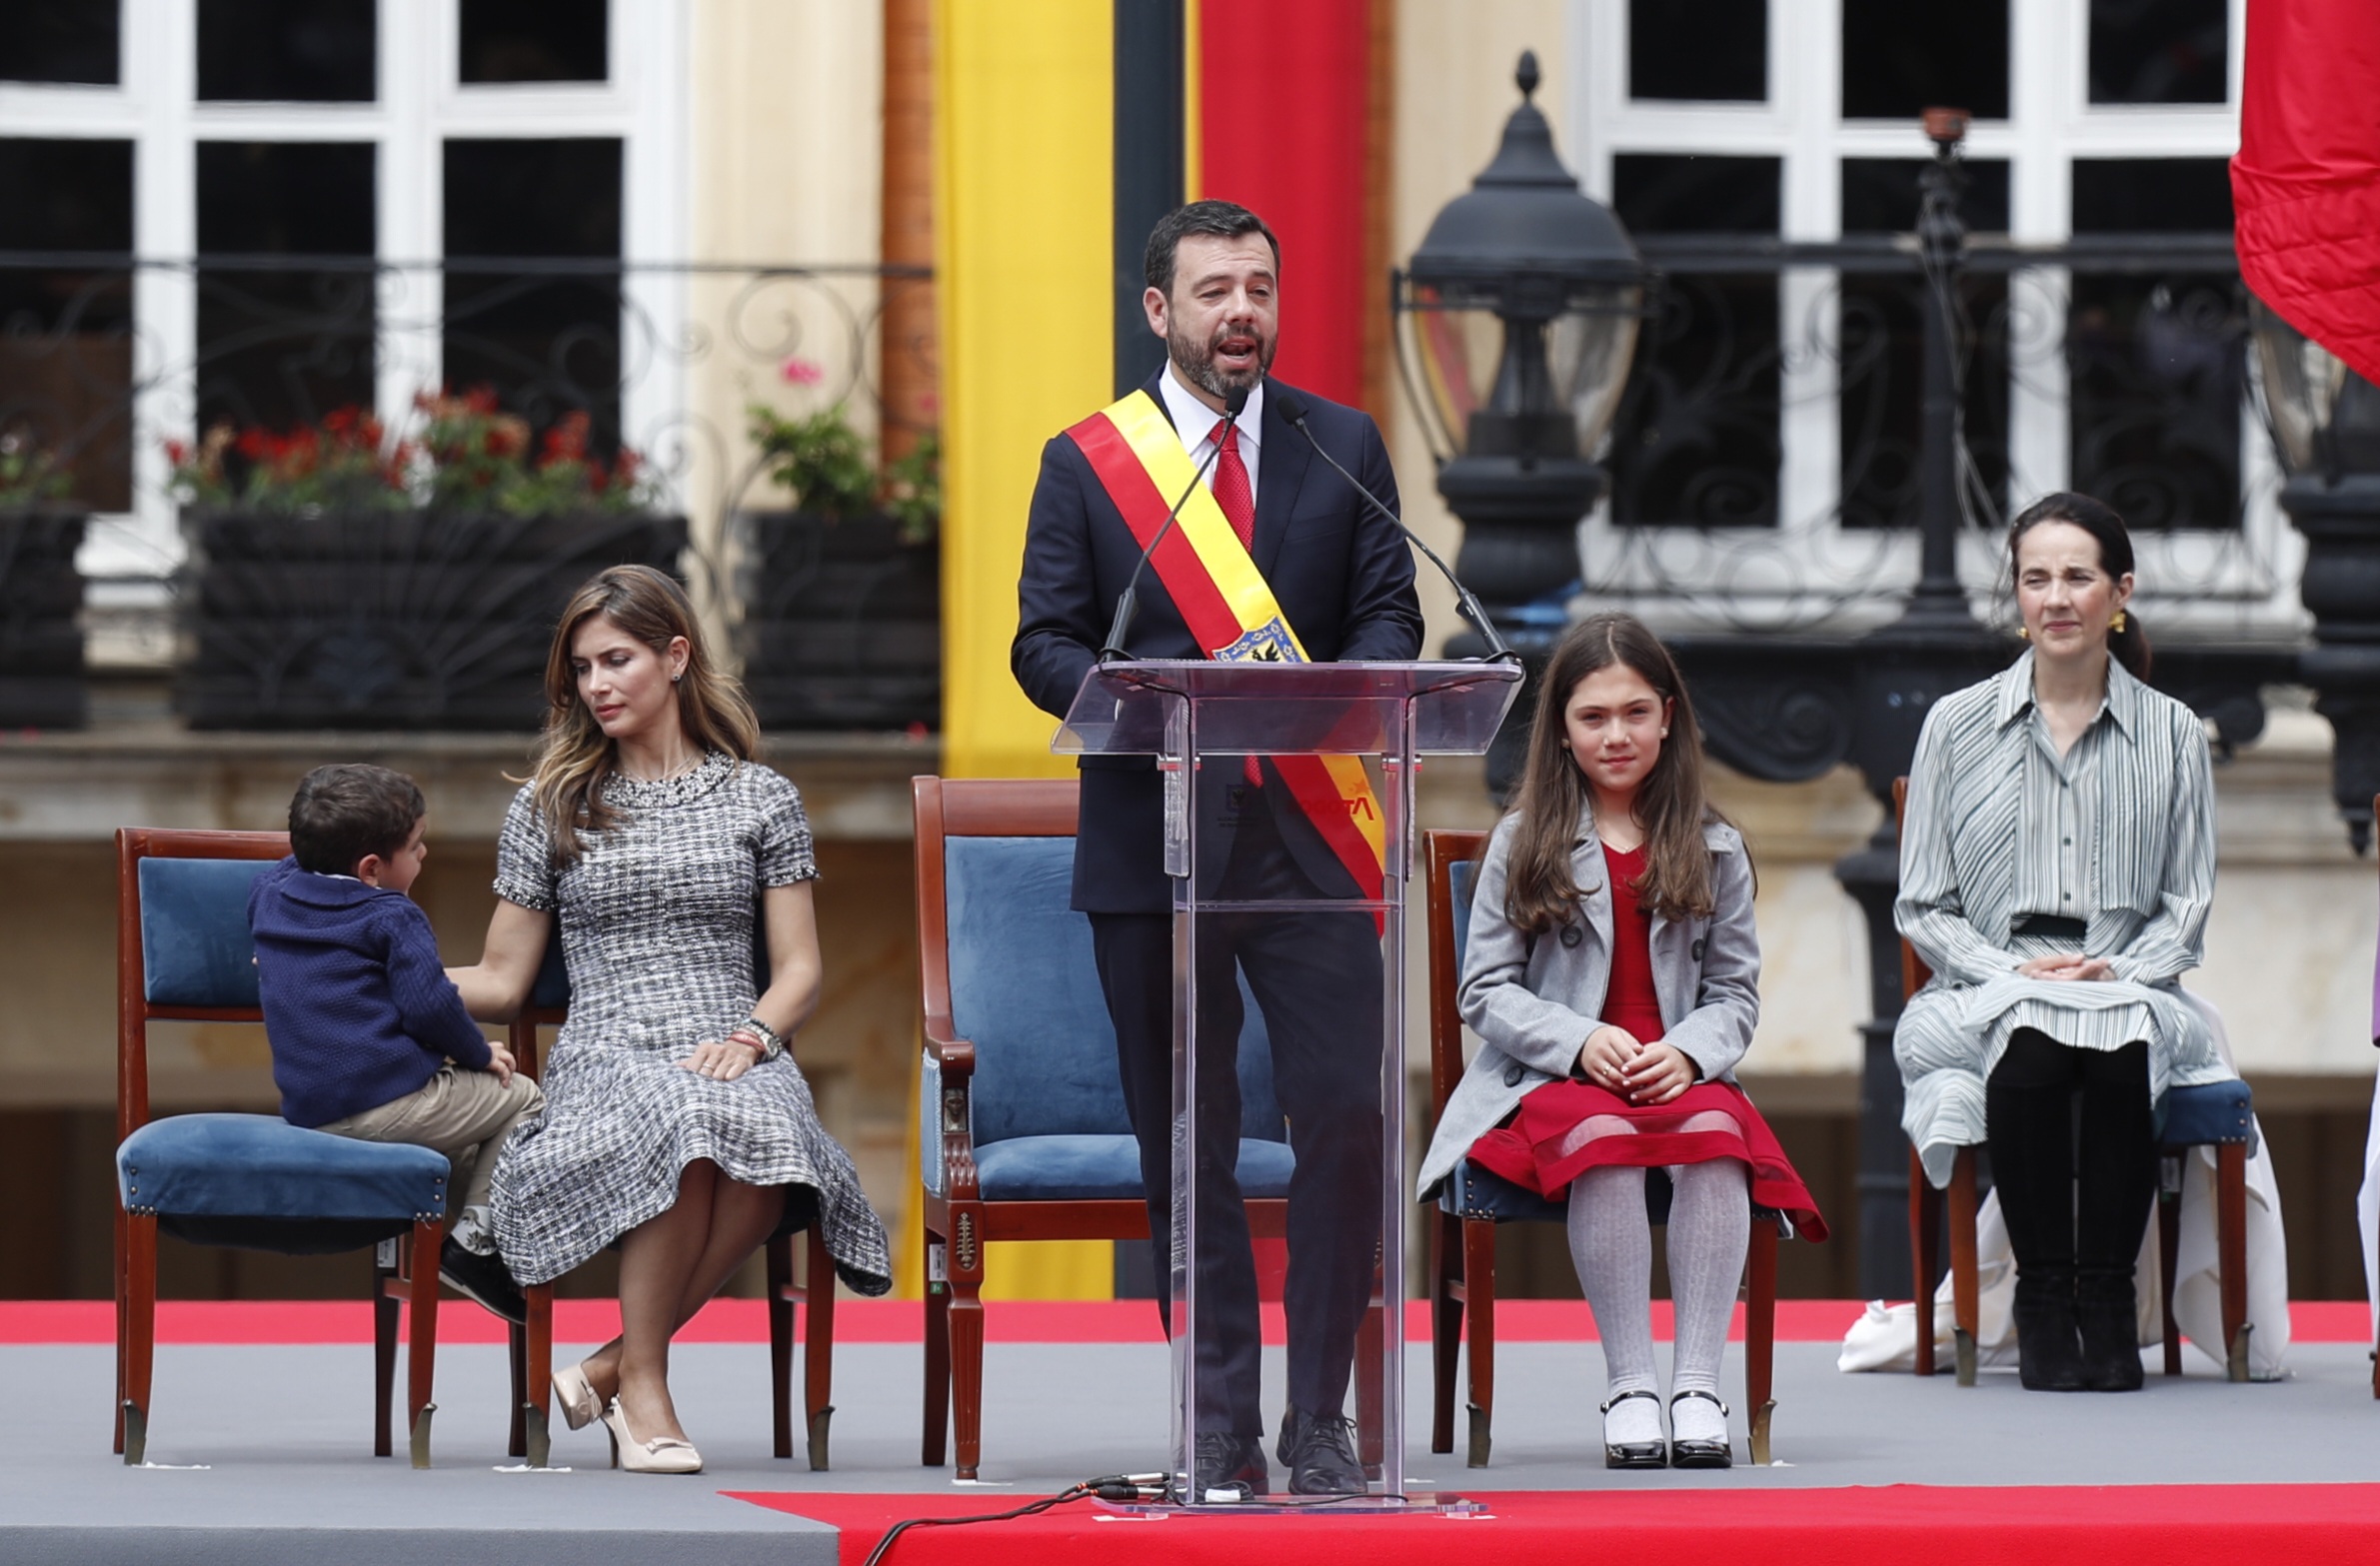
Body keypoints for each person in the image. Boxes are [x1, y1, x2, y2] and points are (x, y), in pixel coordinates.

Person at [1012, 200, 1423, 1496]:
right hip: (1160, 841)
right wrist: (1150, 697)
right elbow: (1043, 641)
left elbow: (1390, 613)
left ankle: (1320, 1425)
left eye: (1258, 288)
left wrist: (1357, 684)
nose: (1239, 312)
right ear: (1160, 310)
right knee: (1184, 1136)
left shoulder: (1336, 441)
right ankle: (1216, 1425)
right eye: (1213, 292)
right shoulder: (1090, 464)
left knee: (1347, 1119)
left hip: (1311, 837)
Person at [447, 565, 891, 1475]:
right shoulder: (550, 803)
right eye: (581, 668)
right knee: (687, 1122)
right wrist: (373, 974)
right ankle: (639, 1383)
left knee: (770, 1134)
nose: (596, 684)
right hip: (608, 1047)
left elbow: (800, 968)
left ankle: (616, 1365)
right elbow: (500, 977)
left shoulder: (761, 798)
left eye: (617, 659)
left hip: (733, 1037)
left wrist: (751, 1037)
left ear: (675, 656)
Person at [1417, 615, 1822, 1470]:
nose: (1616, 734)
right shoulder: (1524, 841)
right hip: (1551, 1079)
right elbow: (1482, 991)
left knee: (1716, 1141)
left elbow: (1734, 997)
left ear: (1667, 717)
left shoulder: (1713, 848)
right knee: (1602, 1140)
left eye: (1634, 713)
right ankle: (1631, 1382)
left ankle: (1695, 1384)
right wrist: (1578, 1039)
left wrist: (1684, 1053)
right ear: (1560, 729)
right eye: (1592, 716)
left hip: (1677, 1072)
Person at [1895, 493, 2233, 1392]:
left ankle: (2107, 1300)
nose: (2055, 598)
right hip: (1983, 979)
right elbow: (1923, 906)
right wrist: (2009, 968)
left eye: (2077, 577)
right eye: (2034, 577)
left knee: (2117, 1043)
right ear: (2014, 594)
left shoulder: (2170, 732)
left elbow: (2186, 904)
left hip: (2127, 976)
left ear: (2117, 592)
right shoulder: (1953, 726)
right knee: (2036, 1038)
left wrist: (2116, 966)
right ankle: (2043, 1302)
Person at [250, 763, 544, 1323]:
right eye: (415, 845)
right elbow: (430, 1004)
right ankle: (475, 1250)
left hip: (310, 1110)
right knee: (523, 1098)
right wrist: (481, 1053)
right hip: (384, 1102)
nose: (424, 855)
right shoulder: (391, 915)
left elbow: (286, 872)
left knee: (470, 1144)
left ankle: (498, 1236)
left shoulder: (270, 892)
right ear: (370, 869)